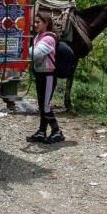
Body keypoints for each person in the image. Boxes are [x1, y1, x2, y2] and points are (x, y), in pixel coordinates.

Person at [28, 14, 64, 144]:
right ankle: (42, 131)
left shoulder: (49, 38)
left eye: (38, 22)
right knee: (42, 104)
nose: (35, 24)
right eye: (35, 22)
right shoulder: (39, 37)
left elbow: (36, 54)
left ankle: (57, 132)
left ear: (46, 23)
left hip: (49, 75)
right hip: (40, 74)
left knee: (46, 106)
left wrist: (24, 50)